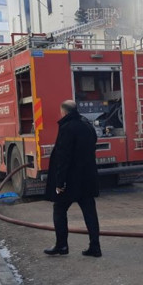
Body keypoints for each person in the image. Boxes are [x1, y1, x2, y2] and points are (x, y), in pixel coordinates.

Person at [43, 100, 102, 257]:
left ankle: (62, 245)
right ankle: (95, 247)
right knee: (90, 212)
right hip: (88, 177)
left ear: (64, 112)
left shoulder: (67, 128)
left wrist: (60, 182)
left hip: (71, 180)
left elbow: (63, 157)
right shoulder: (87, 125)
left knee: (59, 209)